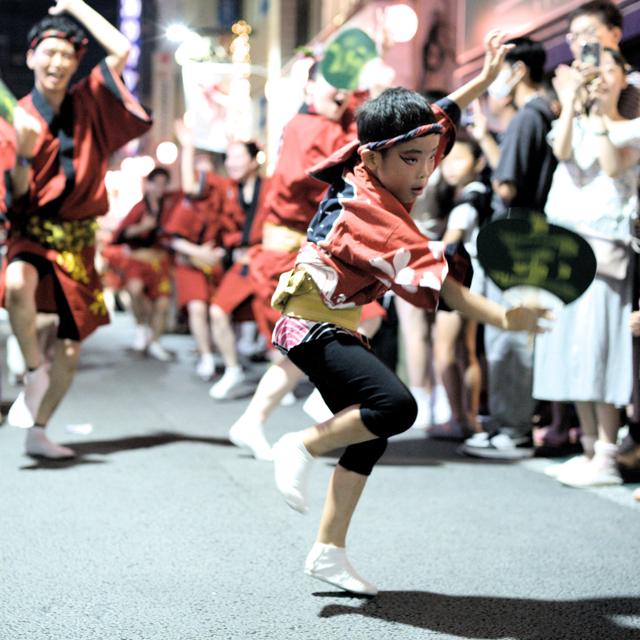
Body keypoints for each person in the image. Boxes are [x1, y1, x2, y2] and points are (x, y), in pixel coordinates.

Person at [269, 31, 549, 596]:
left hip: (336, 320)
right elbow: (445, 287)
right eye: (411, 161)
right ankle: (299, 444)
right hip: (311, 323)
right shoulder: (367, 210)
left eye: (429, 157)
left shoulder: (391, 153)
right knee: (394, 406)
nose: (424, 172)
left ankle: (328, 551)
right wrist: (504, 318)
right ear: (372, 156)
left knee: (370, 433)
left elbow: (439, 115)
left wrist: (484, 80)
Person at [0, 1, 152, 459]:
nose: (58, 62)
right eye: (49, 52)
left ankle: (39, 429)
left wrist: (76, 6)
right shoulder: (16, 118)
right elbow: (16, 193)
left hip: (79, 242)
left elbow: (122, 49)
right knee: (16, 286)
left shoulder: (89, 99)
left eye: (67, 54)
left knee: (69, 349)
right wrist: (24, 153)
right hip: (32, 230)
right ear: (31, 57)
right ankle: (33, 371)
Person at [227, 63, 385, 461]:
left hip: (313, 254)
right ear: (310, 86)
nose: (341, 92)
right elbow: (326, 176)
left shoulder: (329, 122)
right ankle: (305, 402)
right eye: (333, 83)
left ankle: (259, 418)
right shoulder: (306, 127)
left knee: (330, 333)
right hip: (293, 255)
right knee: (329, 332)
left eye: (346, 86)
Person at [536, 48, 639, 487]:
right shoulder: (576, 121)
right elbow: (561, 150)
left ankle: (609, 455)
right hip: (566, 249)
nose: (599, 76)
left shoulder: (632, 127)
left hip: (606, 252)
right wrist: (572, 101)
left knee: (600, 350)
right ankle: (589, 448)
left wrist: (597, 115)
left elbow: (613, 165)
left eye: (608, 69)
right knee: (572, 350)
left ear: (624, 79)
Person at [461, 36, 558, 460]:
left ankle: (513, 430)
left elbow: (507, 186)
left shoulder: (525, 118)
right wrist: (486, 137)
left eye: (500, 68)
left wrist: (489, 146)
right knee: (512, 332)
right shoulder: (544, 113)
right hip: (532, 237)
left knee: (509, 334)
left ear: (518, 70)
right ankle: (510, 424)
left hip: (514, 240)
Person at [430, 129, 492, 439]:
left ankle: (458, 419)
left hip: (459, 279)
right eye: (447, 160)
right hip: (476, 280)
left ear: (478, 162)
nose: (450, 167)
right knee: (467, 350)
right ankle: (470, 418)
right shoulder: (482, 195)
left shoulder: (468, 199)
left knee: (445, 349)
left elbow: (450, 243)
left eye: (459, 159)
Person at [207, 141, 272, 399]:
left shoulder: (270, 186)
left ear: (254, 161)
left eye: (237, 157)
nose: (231, 163)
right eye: (228, 158)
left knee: (273, 320)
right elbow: (195, 191)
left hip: (269, 261)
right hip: (242, 264)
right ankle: (233, 369)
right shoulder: (227, 189)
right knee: (217, 311)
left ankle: (280, 378)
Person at [106, 167, 179, 361]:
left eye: (164, 184)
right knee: (135, 290)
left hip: (160, 262)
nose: (160, 188)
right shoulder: (139, 208)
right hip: (138, 261)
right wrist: (142, 228)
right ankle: (141, 327)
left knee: (162, 303)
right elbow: (121, 234)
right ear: (149, 185)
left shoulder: (169, 206)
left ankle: (155, 341)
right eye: (157, 183)